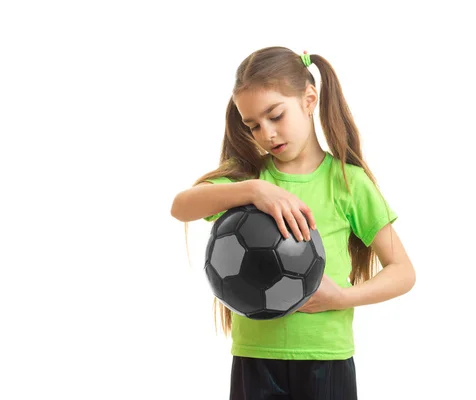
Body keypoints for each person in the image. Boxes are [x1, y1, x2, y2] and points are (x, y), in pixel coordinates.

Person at [171, 46, 416, 400]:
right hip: (255, 357)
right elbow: (181, 206)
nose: (266, 134)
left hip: (325, 356)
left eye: (275, 116)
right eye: (253, 125)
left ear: (309, 99)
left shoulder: (347, 182)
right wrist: (255, 190)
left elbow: (403, 271)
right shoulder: (249, 181)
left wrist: (342, 297)